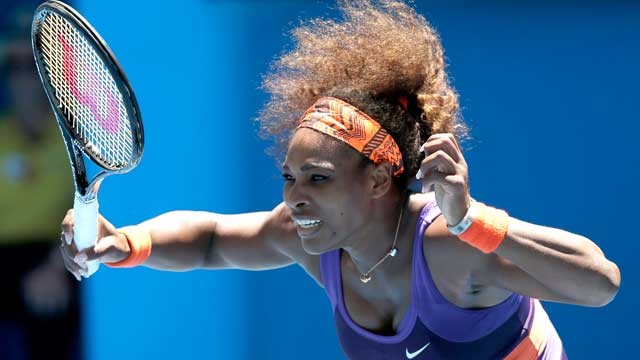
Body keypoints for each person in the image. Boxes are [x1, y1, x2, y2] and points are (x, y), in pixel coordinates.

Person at [60, 1, 620, 359]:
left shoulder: (452, 247)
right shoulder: (310, 239)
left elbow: (600, 282)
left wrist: (475, 220)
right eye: (289, 177)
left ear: (379, 180)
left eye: (317, 178)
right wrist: (125, 242)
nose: (294, 197)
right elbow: (210, 240)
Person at [0, 4, 81, 360]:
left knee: (57, 300)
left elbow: (87, 212)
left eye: (31, 67)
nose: (22, 79)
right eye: (13, 68)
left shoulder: (77, 142)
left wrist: (55, 265)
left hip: (51, 256)